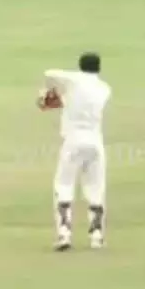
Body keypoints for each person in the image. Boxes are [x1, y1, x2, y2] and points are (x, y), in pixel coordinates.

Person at [41, 52, 112, 251]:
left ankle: (64, 234)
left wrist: (51, 91)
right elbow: (78, 100)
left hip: (73, 141)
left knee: (64, 185)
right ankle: (97, 236)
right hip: (95, 141)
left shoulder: (74, 80)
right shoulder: (104, 88)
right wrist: (62, 98)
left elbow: (49, 73)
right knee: (95, 188)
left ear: (80, 66)